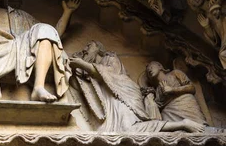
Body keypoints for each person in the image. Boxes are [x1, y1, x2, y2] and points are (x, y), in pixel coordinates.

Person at [70, 41, 205, 133]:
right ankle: (181, 124)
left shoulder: (110, 57)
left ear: (99, 49)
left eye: (89, 45)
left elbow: (107, 73)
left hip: (124, 96)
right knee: (127, 130)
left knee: (131, 129)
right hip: (114, 100)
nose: (85, 49)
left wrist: (81, 64)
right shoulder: (91, 73)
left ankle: (183, 124)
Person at [145, 61, 207, 127]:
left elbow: (191, 88)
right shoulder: (157, 90)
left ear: (160, 66)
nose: (150, 70)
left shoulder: (175, 73)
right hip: (168, 112)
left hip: (185, 103)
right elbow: (158, 106)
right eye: (148, 71)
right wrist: (149, 98)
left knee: (200, 126)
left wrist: (173, 89)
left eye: (151, 67)